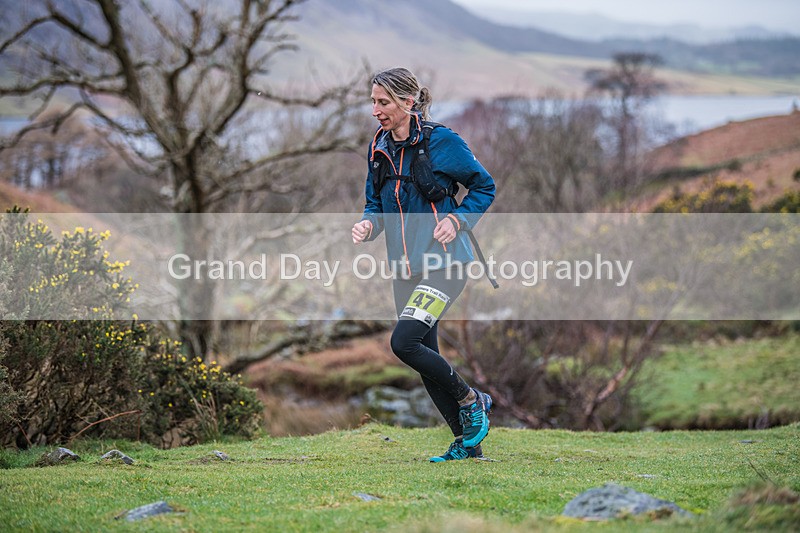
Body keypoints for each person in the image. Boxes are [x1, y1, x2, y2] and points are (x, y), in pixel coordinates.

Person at [352, 67, 496, 462]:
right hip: (405, 269)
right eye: (373, 101)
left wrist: (458, 219)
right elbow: (375, 203)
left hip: (444, 265)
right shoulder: (378, 146)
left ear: (408, 101)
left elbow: (484, 186)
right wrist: (369, 224)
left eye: (383, 102)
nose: (375, 110)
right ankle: (468, 447)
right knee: (424, 356)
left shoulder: (441, 142)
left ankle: (473, 399)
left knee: (404, 342)